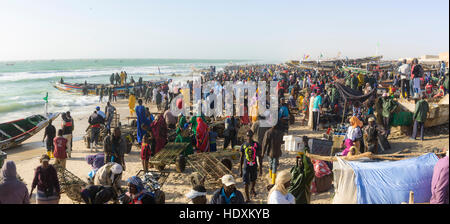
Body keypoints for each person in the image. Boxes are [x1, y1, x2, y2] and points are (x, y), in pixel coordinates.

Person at [239, 130, 261, 202]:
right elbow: (241, 158)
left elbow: (259, 156)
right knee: (245, 183)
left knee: (253, 180)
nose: (249, 137)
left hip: (254, 166)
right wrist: (240, 169)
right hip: (246, 166)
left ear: (252, 136)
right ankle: (247, 198)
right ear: (246, 136)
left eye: (250, 135)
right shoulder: (244, 145)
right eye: (248, 135)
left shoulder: (256, 145)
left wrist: (260, 168)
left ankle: (252, 189)